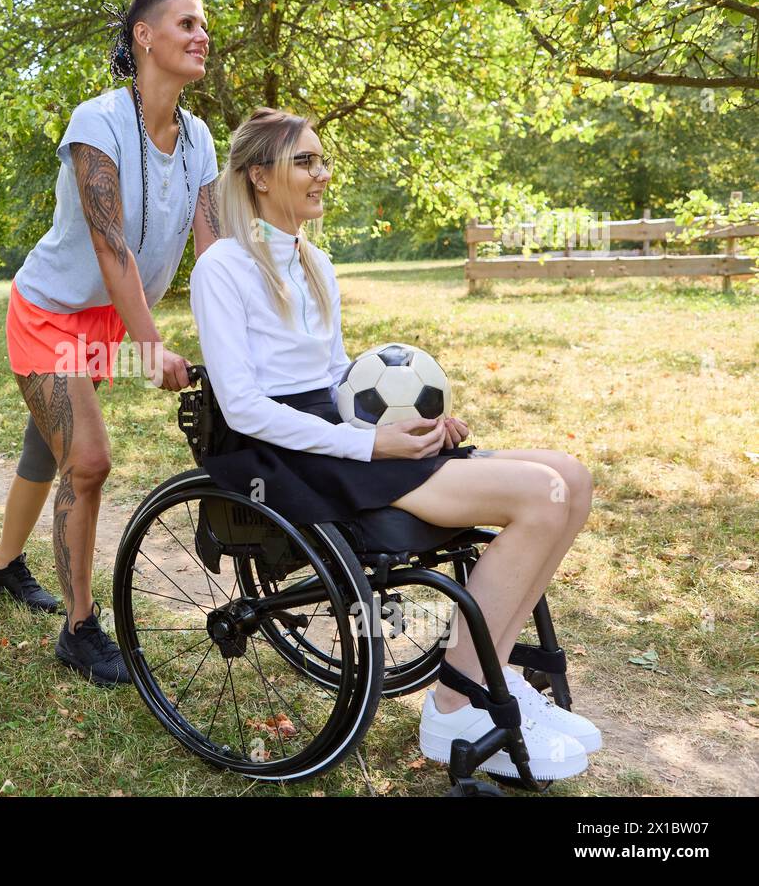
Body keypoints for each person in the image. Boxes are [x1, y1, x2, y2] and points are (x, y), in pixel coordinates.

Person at [188, 106, 600, 780]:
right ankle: (453, 705)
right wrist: (366, 448)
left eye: (322, 160)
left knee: (572, 478)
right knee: (543, 496)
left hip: (339, 435)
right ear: (259, 176)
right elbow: (244, 406)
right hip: (283, 452)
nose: (323, 174)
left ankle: (499, 682)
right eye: (305, 162)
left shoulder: (314, 261)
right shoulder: (224, 268)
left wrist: (402, 429)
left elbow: (332, 378)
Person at [0, 0, 221, 685]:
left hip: (106, 316)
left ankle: (0, 570)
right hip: (51, 308)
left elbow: (212, 251)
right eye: (186, 22)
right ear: (145, 36)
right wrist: (151, 348)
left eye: (204, 25)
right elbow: (111, 248)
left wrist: (236, 343)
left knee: (46, 443)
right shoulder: (98, 123)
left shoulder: (199, 138)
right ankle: (80, 629)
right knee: (86, 460)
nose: (202, 35)